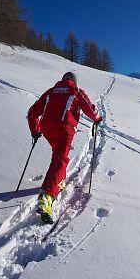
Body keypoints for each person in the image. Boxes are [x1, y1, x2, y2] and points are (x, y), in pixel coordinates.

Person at [27, 72, 102, 223]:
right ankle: (47, 196)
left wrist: (35, 132)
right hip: (64, 128)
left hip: (47, 128)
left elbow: (32, 112)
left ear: (62, 80)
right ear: (74, 82)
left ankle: (58, 180)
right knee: (60, 159)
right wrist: (98, 118)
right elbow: (90, 109)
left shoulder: (51, 91)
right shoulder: (76, 91)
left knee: (57, 156)